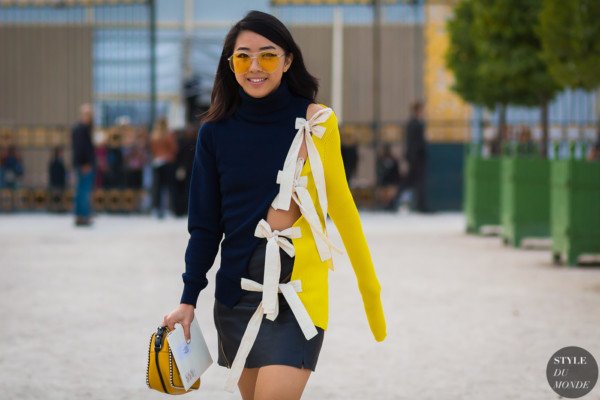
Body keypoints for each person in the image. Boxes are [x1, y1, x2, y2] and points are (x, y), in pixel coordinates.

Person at [162, 10, 386, 400]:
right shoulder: (213, 133)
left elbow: (344, 210)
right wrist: (188, 298)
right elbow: (204, 226)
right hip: (235, 297)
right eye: (242, 56)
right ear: (229, 64)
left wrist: (371, 292)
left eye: (267, 55)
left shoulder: (316, 123)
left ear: (287, 60)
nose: (254, 67)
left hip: (298, 297)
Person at [393, 101, 429, 213]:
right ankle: (420, 205)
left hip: (416, 158)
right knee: (414, 182)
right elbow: (412, 143)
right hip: (415, 158)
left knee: (411, 182)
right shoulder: (414, 124)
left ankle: (419, 205)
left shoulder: (416, 123)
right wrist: (412, 158)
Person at [71, 103, 96, 226]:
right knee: (83, 192)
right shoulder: (82, 129)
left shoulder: (79, 128)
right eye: (88, 114)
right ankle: (83, 216)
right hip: (84, 165)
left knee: (80, 191)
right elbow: (81, 148)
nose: (90, 117)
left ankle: (80, 216)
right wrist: (85, 163)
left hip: (80, 164)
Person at [150, 117, 178, 218]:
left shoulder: (154, 135)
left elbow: (152, 149)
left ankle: (156, 209)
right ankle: (169, 210)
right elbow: (174, 149)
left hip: (157, 162)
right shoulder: (169, 135)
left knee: (157, 188)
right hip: (168, 162)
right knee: (170, 187)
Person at [376, 143, 401, 210]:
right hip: (384, 182)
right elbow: (379, 173)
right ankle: (384, 206)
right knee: (384, 195)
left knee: (390, 195)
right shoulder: (381, 160)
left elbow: (396, 172)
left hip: (391, 182)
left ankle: (391, 206)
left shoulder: (394, 160)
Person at [48, 146, 67, 212]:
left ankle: (59, 208)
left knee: (60, 195)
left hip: (61, 181)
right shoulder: (53, 161)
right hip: (56, 181)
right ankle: (55, 208)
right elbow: (52, 172)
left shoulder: (61, 161)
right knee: (55, 196)